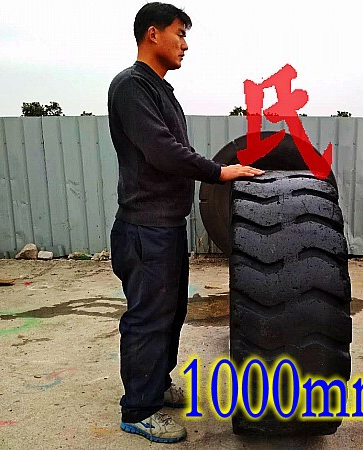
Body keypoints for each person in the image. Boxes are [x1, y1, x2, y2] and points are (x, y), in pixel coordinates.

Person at [107, 2, 264, 444]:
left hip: (166, 226)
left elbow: (174, 149)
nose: (185, 44)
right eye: (179, 33)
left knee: (170, 313)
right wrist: (219, 172)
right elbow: (162, 151)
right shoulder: (131, 87)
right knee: (148, 318)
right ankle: (138, 409)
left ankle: (155, 386)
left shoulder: (159, 89)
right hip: (145, 228)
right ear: (152, 34)